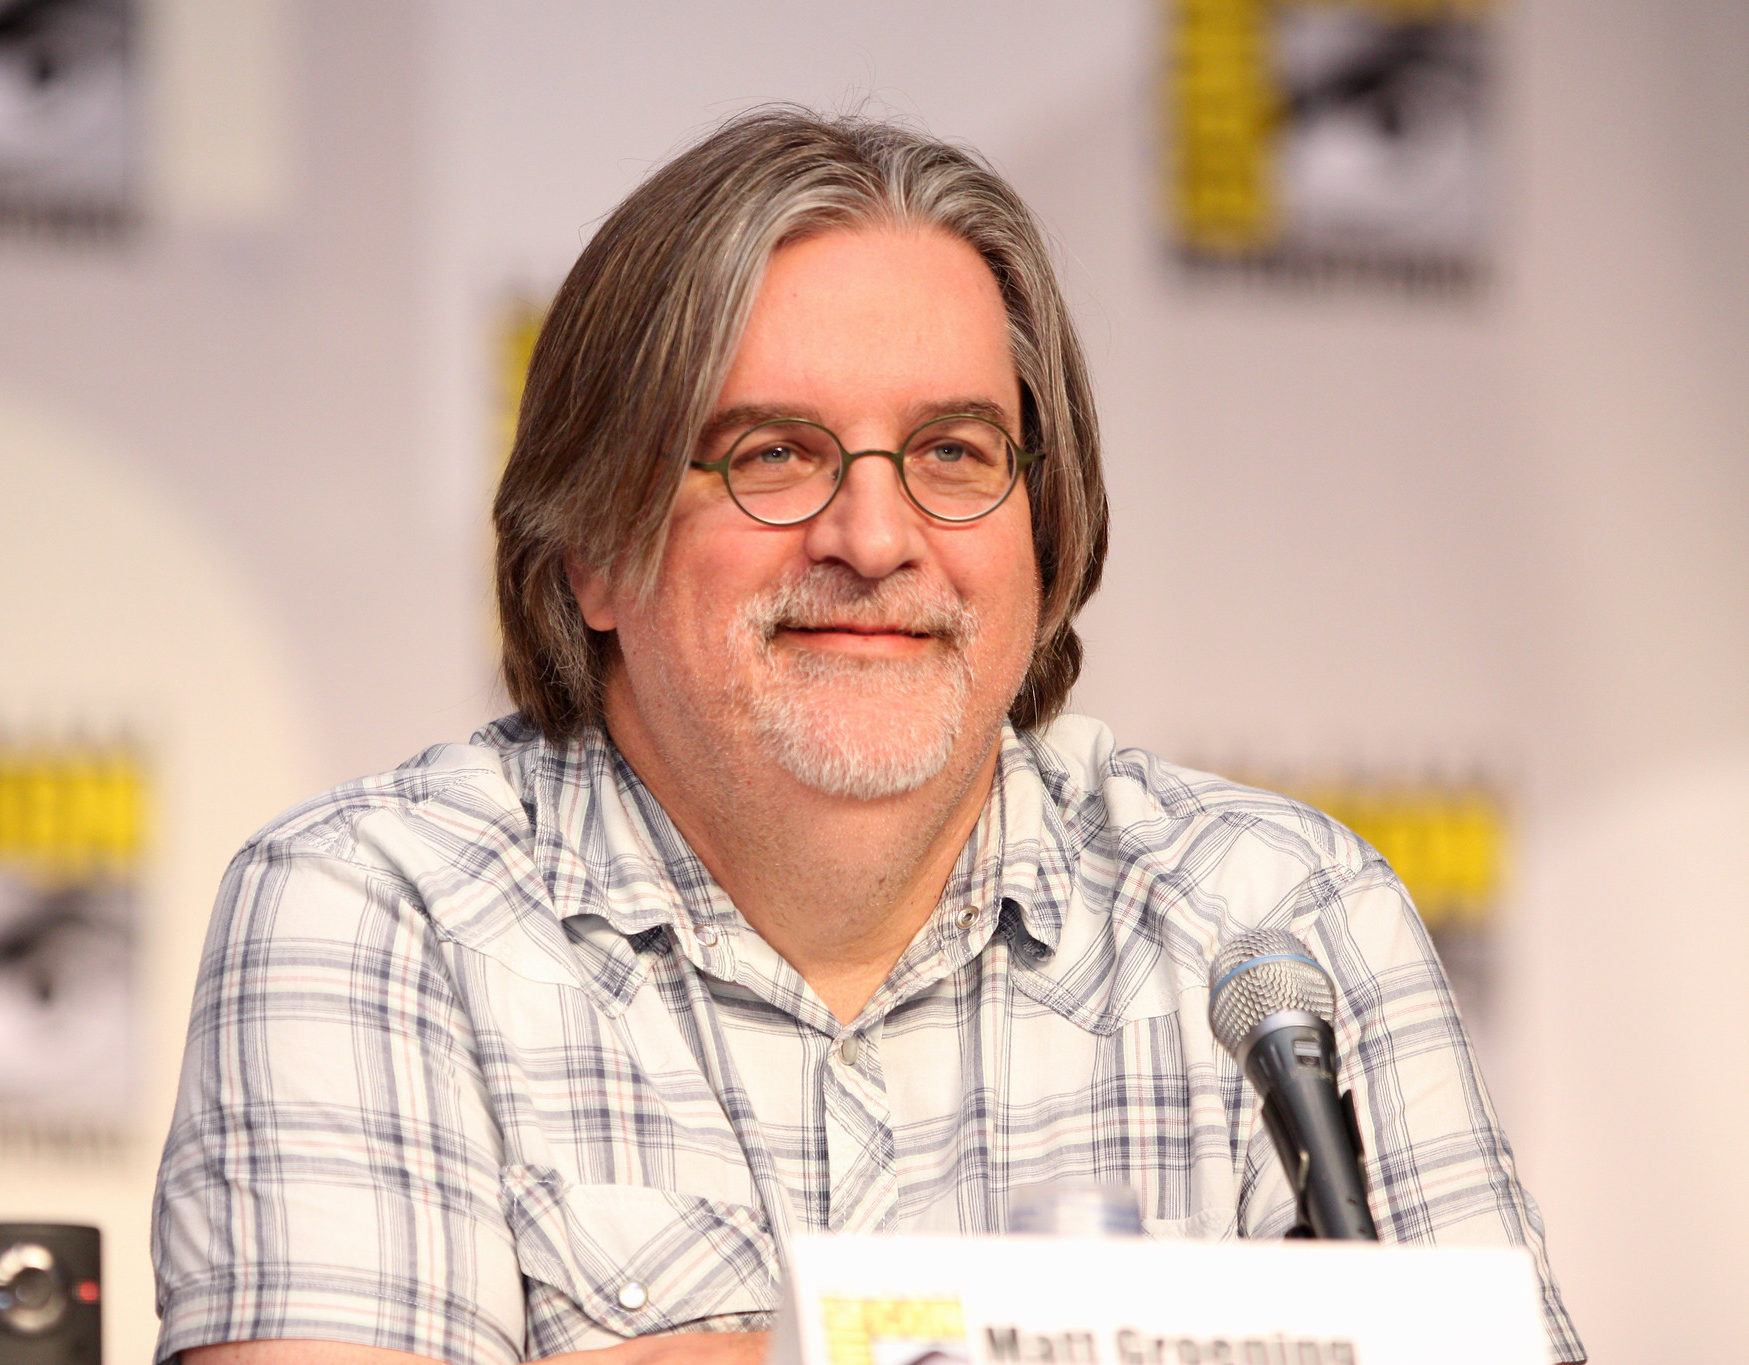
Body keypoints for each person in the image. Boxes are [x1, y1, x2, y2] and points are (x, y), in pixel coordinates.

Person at [151, 110, 1583, 1365]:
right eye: (774, 453)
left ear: (1048, 526)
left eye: (956, 452)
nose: (876, 536)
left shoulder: (1274, 918)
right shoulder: (373, 905)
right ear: (591, 546)